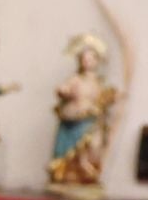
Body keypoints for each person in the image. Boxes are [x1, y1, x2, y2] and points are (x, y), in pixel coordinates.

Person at [48, 33, 117, 187]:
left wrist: (111, 99)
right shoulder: (76, 79)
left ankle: (87, 169)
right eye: (84, 59)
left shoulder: (98, 82)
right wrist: (63, 91)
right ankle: (75, 169)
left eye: (91, 58)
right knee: (76, 149)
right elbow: (64, 88)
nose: (87, 61)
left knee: (94, 145)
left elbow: (102, 99)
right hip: (74, 119)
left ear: (97, 61)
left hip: (91, 120)